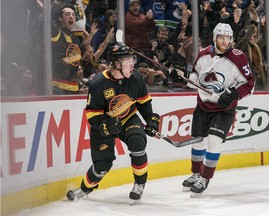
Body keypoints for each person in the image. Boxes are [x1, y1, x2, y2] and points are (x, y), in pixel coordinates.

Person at [66, 43, 160, 203]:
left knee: (137, 142)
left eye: (132, 60)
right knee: (102, 165)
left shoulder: (136, 77)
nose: (132, 64)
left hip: (128, 117)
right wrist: (105, 125)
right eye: (128, 61)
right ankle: (84, 189)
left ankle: (139, 184)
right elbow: (92, 115)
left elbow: (143, 103)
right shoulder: (98, 84)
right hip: (105, 123)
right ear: (117, 64)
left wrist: (151, 119)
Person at [181, 23, 255, 195]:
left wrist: (234, 94)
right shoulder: (203, 54)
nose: (224, 41)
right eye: (221, 37)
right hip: (202, 106)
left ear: (231, 39)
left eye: (227, 38)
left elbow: (249, 84)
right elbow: (195, 76)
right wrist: (182, 78)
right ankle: (195, 174)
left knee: (214, 141)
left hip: (223, 109)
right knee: (198, 141)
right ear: (214, 38)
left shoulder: (238, 57)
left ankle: (205, 177)